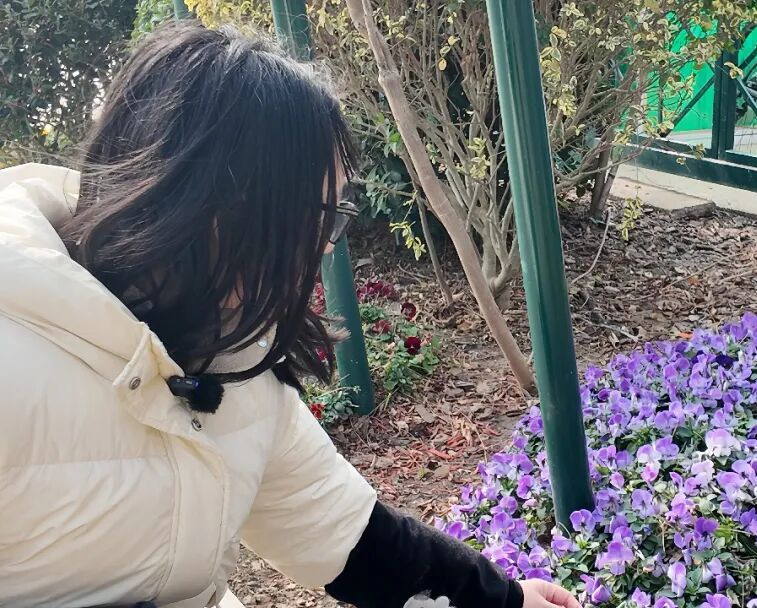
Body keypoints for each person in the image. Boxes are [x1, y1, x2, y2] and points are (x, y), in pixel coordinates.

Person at [0, 21, 580, 608]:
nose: (325, 244)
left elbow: (346, 535)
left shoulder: (230, 352)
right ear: (209, 203)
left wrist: (506, 600)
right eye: (316, 214)